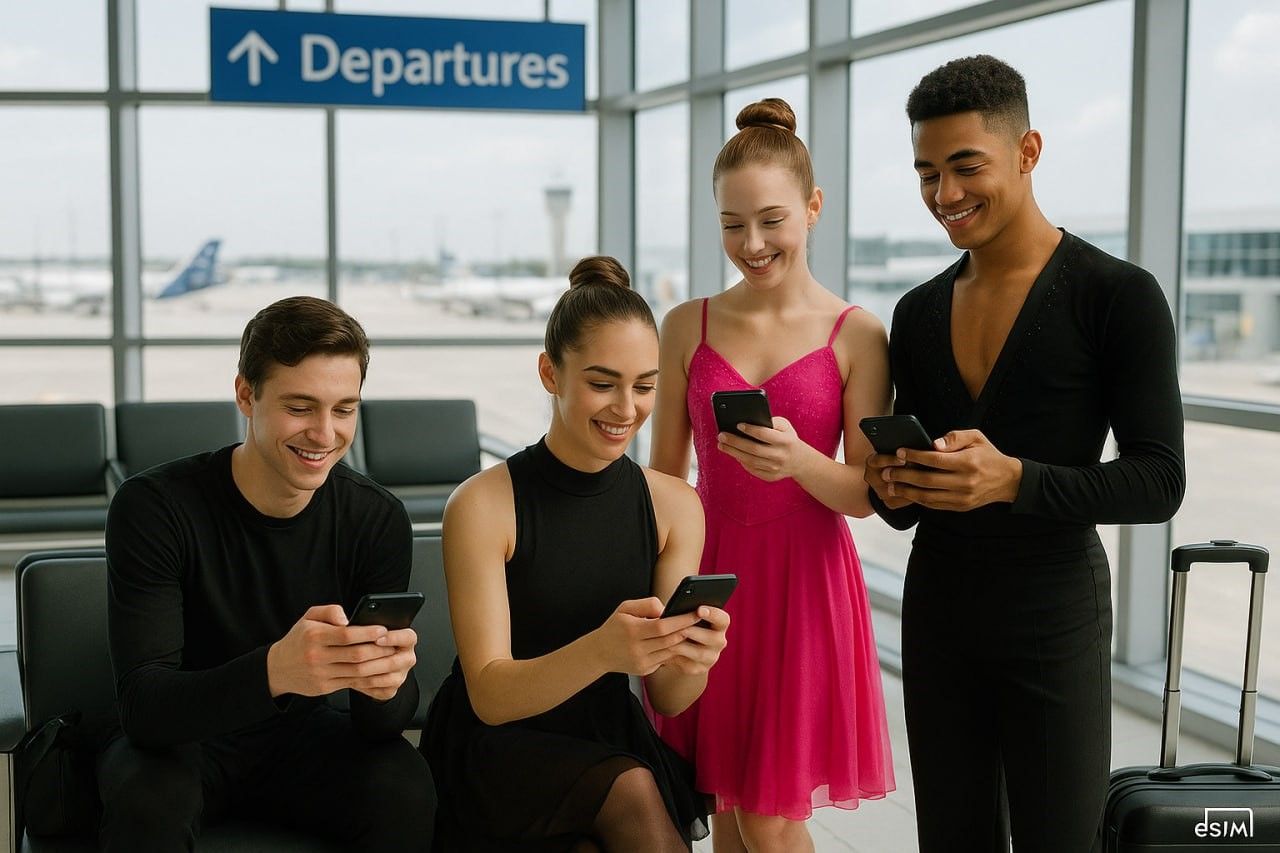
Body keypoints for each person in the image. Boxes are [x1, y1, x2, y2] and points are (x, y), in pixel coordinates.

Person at [865, 55, 1186, 852]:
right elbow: (904, 509)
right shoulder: (916, 310)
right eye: (927, 172)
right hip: (938, 609)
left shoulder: (1116, 295)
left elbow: (1159, 480)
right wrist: (893, 482)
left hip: (1053, 613)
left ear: (1028, 151)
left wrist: (1015, 480)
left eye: (966, 166)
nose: (945, 195)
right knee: (951, 838)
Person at [649, 97, 896, 853]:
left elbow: (865, 494)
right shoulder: (684, 324)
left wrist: (799, 461)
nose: (750, 243)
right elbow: (663, 475)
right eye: (731, 224)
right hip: (712, 577)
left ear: (813, 208)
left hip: (806, 584)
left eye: (771, 220)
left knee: (767, 814)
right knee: (725, 806)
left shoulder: (856, 334)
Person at [99, 296, 432, 850]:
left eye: (344, 409)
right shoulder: (154, 507)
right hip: (183, 737)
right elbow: (145, 709)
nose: (325, 435)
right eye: (300, 407)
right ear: (246, 395)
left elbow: (379, 727)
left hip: (302, 737)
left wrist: (388, 682)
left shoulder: (376, 517)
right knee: (149, 801)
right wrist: (277, 669)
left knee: (404, 783)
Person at [422, 256, 728, 852]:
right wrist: (604, 649)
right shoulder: (484, 505)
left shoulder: (675, 506)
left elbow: (667, 696)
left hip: (606, 736)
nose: (625, 409)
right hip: (499, 744)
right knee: (634, 792)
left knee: (621, 800)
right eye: (601, 382)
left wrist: (695, 659)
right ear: (550, 373)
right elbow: (490, 695)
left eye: (644, 386)